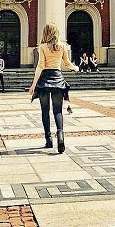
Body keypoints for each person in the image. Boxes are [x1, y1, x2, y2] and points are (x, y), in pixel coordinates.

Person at [29, 22, 79, 153]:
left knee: (45, 111)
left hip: (44, 79)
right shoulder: (62, 46)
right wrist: (75, 68)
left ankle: (48, 140)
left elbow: (40, 65)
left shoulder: (43, 47)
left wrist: (33, 84)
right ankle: (61, 136)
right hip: (57, 78)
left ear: (45, 33)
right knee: (58, 111)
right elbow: (67, 63)